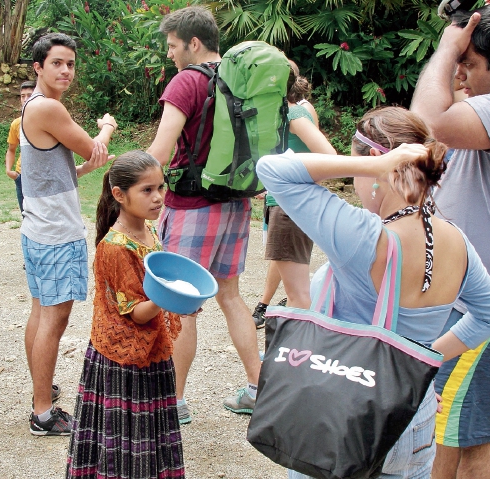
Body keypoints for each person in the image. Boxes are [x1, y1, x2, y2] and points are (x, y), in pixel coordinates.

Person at [256, 106, 490, 479]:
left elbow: (272, 169)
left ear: (378, 164)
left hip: (344, 410)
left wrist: (372, 166)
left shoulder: (361, 235)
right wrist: (411, 367)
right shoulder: (457, 240)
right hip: (412, 418)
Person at [147, 6, 261, 424]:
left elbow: (159, 154)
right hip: (237, 202)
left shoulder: (187, 82)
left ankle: (173, 403)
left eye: (174, 47)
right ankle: (257, 387)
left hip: (194, 207)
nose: (171, 56)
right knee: (231, 295)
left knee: (180, 308)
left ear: (193, 43)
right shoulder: (243, 78)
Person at [409, 4, 490, 478]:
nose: (460, 77)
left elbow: (423, 124)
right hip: (463, 302)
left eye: (469, 66)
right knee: (450, 426)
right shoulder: (483, 117)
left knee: (472, 436)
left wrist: (448, 46)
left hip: (482, 309)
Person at [66, 150, 184, 478]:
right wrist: (170, 296)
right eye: (147, 190)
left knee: (148, 439)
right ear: (119, 194)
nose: (158, 197)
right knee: (125, 442)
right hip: (124, 363)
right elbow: (138, 314)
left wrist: (180, 299)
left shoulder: (149, 233)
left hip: (152, 354)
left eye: (161, 187)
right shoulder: (115, 247)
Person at [21, 32, 117, 436]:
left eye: (71, 64)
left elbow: (46, 173)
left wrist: (78, 173)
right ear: (38, 67)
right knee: (54, 318)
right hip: (56, 233)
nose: (65, 70)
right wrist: (106, 128)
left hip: (38, 226)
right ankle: (43, 412)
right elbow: (94, 149)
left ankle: (40, 392)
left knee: (42, 310)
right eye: (57, 63)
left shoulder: (36, 106)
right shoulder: (48, 110)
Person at [252, 62, 336, 329]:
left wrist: (288, 181)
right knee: (295, 289)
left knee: (298, 296)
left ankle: (301, 356)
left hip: (289, 206)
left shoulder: (293, 113)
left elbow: (329, 157)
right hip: (286, 204)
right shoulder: (282, 113)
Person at [5, 80, 35, 213]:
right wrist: (9, 170)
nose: (25, 99)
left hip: (40, 176)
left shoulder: (49, 121)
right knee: (26, 215)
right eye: (23, 96)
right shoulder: (17, 124)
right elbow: (11, 149)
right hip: (21, 175)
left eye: (29, 95)